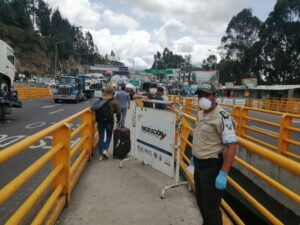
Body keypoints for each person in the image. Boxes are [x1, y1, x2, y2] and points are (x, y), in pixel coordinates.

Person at [192, 82, 237, 225]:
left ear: (214, 96)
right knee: (202, 205)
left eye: (206, 95)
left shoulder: (222, 117)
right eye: (200, 95)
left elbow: (232, 146)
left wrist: (223, 173)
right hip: (199, 166)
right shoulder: (200, 113)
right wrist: (194, 158)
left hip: (211, 168)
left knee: (211, 211)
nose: (202, 98)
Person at [90, 86, 121, 160]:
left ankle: (101, 155)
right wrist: (118, 120)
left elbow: (93, 108)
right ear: (113, 92)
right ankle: (105, 150)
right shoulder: (115, 101)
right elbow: (119, 112)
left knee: (101, 137)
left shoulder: (100, 100)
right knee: (108, 136)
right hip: (110, 121)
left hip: (100, 121)